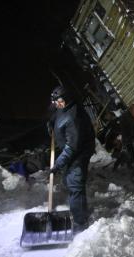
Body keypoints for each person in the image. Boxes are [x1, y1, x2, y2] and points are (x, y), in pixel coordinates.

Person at [48, 85, 95, 233]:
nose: (57, 104)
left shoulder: (74, 118)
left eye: (59, 101)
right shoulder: (64, 108)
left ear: (67, 100)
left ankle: (81, 224)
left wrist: (57, 164)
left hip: (79, 153)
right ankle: (79, 212)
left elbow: (72, 147)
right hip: (73, 150)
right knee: (69, 180)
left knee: (75, 185)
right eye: (55, 102)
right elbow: (56, 113)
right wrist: (51, 123)